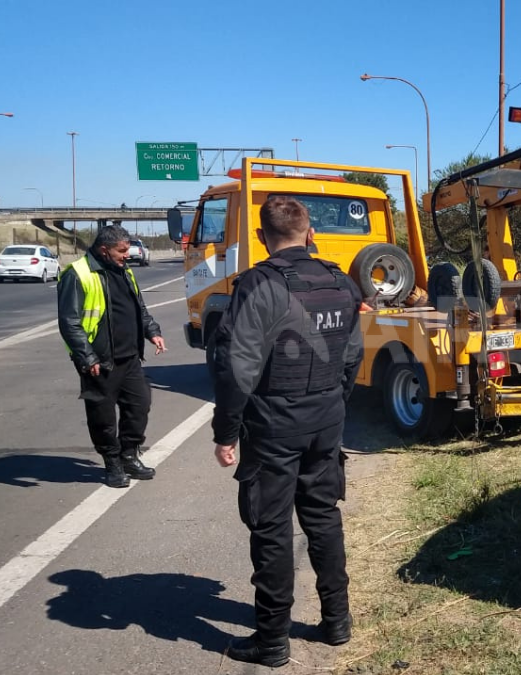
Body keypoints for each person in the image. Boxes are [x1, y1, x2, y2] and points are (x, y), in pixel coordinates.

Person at [211, 195, 364, 667]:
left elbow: (237, 367)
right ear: (310, 231)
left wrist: (226, 432)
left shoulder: (258, 284)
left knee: (272, 528)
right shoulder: (342, 282)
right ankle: (337, 621)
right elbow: (353, 355)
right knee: (323, 517)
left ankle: (273, 641)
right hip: (326, 420)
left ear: (262, 237)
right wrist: (335, 403)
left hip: (275, 426)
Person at [57, 224, 166, 488]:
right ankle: (112, 463)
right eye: (122, 250)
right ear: (104, 250)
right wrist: (87, 357)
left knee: (139, 406)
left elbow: (138, 306)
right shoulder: (79, 274)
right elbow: (69, 321)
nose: (127, 254)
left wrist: (152, 331)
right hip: (100, 360)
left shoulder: (124, 270)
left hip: (130, 357)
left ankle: (129, 454)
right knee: (103, 416)